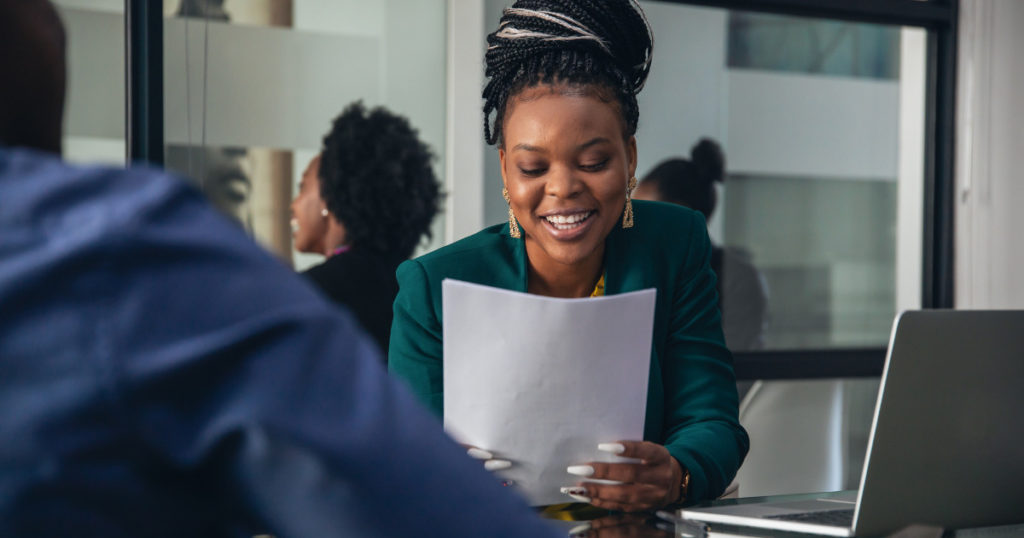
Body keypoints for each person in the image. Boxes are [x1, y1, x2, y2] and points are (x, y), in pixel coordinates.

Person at [0, 1, 560, 536]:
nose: (292, 205)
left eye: (301, 186)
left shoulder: (146, 266)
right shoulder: (166, 266)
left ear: (334, 199)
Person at [389, 0, 749, 512]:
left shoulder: (673, 244)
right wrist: (436, 477)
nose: (562, 188)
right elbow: (403, 461)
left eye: (594, 161)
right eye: (533, 168)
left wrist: (678, 473)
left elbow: (712, 421)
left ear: (631, 158)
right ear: (505, 172)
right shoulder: (434, 286)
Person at [291, 103, 440, 357]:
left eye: (302, 186)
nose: (294, 205)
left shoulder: (308, 295)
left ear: (331, 194)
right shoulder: (421, 291)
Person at [634, 139, 769, 351]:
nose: (638, 228)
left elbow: (730, 368)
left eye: (647, 217)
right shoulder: (643, 273)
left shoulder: (736, 281)